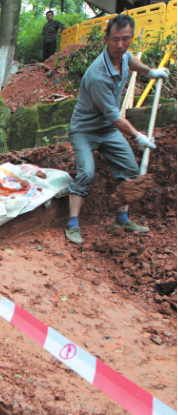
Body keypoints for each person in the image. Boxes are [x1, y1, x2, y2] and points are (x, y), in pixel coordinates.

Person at [64, 14, 169, 245]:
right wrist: (138, 136)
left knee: (129, 169)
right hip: (85, 131)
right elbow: (113, 116)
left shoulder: (123, 56)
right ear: (106, 39)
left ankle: (122, 220)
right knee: (86, 173)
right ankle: (72, 223)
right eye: (115, 39)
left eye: (126, 39)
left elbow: (131, 60)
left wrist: (150, 72)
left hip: (108, 130)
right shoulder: (97, 75)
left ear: (130, 38)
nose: (120, 45)